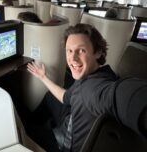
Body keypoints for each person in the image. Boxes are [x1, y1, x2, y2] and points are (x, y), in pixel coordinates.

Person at [19, 23, 147, 152]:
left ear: (98, 52)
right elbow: (66, 97)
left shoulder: (94, 88)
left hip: (63, 145)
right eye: (69, 50)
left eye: (81, 50)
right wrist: (43, 77)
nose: (72, 58)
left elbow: (124, 95)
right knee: (50, 96)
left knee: (20, 122)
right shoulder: (99, 73)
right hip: (71, 119)